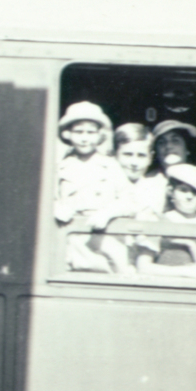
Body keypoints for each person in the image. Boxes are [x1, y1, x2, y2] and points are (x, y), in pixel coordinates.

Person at [54, 101, 129, 273]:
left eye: (90, 132)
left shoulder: (110, 165)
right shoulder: (60, 166)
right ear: (67, 134)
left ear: (99, 135)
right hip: (69, 236)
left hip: (103, 234)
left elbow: (128, 200)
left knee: (118, 262)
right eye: (78, 131)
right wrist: (56, 207)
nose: (84, 137)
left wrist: (107, 213)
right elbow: (47, 198)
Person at [135, 163, 196, 279]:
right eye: (183, 190)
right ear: (171, 191)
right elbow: (143, 266)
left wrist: (191, 245)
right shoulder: (158, 221)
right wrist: (184, 271)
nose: (190, 196)